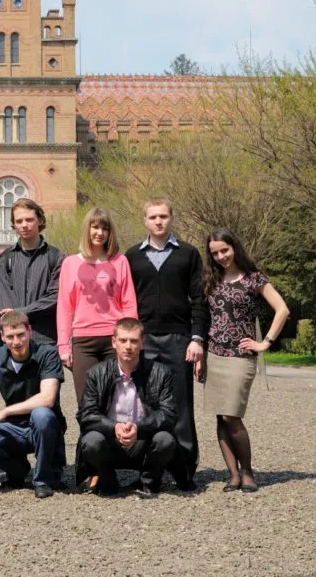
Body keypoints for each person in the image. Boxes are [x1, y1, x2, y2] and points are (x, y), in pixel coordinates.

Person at [124, 198, 207, 491]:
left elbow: (199, 299)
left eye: (163, 216)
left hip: (178, 339)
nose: (158, 221)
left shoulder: (188, 254)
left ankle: (185, 470)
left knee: (181, 406)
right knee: (145, 406)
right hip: (144, 340)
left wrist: (197, 338)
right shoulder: (132, 256)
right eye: (153, 217)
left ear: (171, 218)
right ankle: (150, 470)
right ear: (145, 220)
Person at [202, 228, 289, 493]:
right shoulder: (210, 279)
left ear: (235, 247)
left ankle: (248, 472)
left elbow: (282, 309)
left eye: (224, 250)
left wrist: (265, 343)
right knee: (220, 415)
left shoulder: (254, 278)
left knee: (232, 415)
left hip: (241, 356)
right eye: (215, 253)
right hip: (214, 354)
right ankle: (233, 475)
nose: (220, 256)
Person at [0, 311, 67, 499]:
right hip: (15, 427)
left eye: (21, 335)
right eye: (10, 337)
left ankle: (45, 478)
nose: (16, 341)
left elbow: (47, 398)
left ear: (29, 330)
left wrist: (5, 412)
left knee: (41, 414)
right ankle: (18, 470)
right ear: (2, 336)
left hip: (46, 426)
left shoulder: (47, 353)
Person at [75, 318, 177, 496]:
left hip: (144, 440)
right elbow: (86, 415)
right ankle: (108, 481)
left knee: (165, 440)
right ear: (114, 342)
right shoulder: (95, 373)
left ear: (142, 343)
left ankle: (148, 483)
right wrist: (114, 427)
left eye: (134, 341)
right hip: (110, 440)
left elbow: (169, 414)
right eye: (123, 340)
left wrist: (138, 428)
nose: (128, 346)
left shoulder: (161, 372)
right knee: (91, 440)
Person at [56, 207, 138, 404]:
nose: (100, 233)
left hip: (115, 340)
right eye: (95, 227)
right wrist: (63, 345)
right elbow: (65, 307)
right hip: (83, 342)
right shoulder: (70, 263)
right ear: (87, 229)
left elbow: (129, 303)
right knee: (87, 402)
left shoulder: (120, 261)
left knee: (117, 402)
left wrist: (130, 340)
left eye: (105, 228)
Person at [0, 198, 64, 347]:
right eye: (19, 221)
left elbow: (55, 297)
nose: (24, 225)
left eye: (29, 219)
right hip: (15, 342)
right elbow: (4, 302)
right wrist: (17, 318)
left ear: (40, 220)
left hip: (45, 340)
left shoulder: (56, 257)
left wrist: (21, 311)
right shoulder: (5, 259)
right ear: (14, 225)